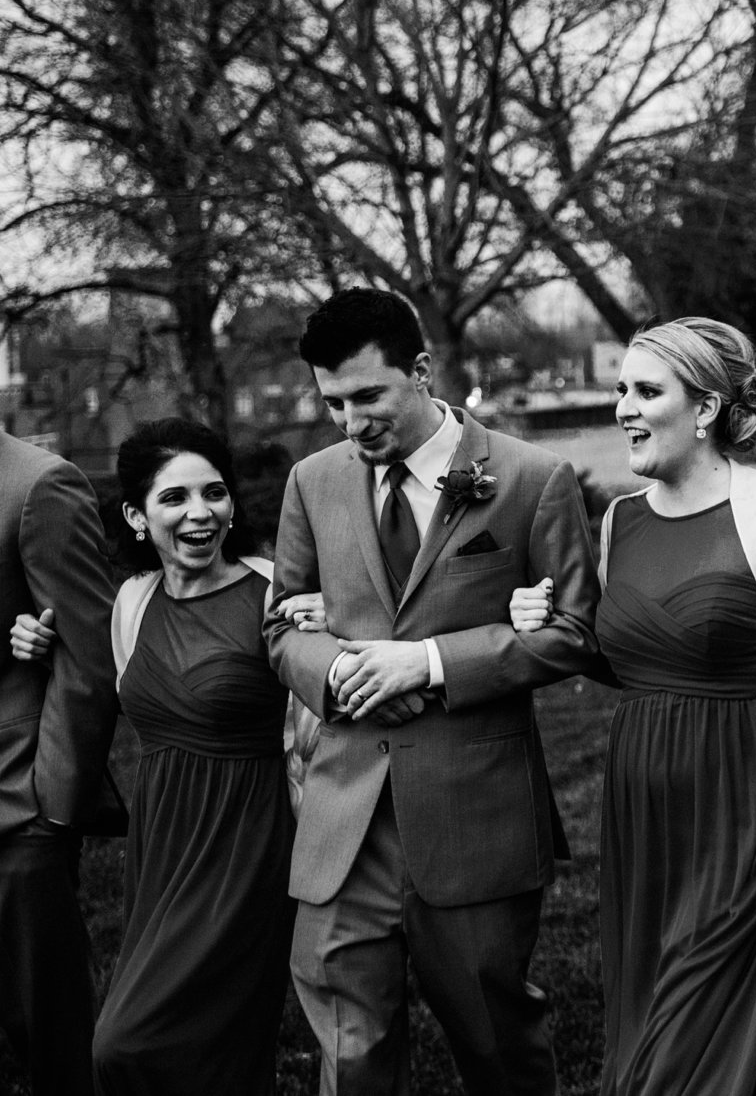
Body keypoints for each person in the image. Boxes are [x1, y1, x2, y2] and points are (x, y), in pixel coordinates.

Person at [265, 288, 601, 1096]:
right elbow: (281, 627)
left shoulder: (530, 479)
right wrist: (333, 670)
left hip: (472, 814)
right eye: (334, 403)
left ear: (421, 371)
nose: (351, 422)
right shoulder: (312, 481)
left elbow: (576, 633)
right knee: (351, 1050)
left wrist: (428, 663)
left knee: (495, 1042)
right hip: (344, 816)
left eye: (369, 396)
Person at [508, 317, 756, 1096]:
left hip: (747, 812)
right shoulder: (621, 520)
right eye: (621, 389)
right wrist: (548, 620)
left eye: (645, 390)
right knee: (649, 1028)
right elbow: (632, 661)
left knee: (697, 1048)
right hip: (645, 819)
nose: (623, 407)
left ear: (704, 409)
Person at [73, 420, 293, 1094]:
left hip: (246, 844)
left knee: (127, 1042)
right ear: (138, 516)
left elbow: (314, 730)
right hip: (163, 843)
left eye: (215, 492)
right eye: (175, 498)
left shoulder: (275, 593)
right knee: (192, 1053)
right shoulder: (133, 602)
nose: (200, 513)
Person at [0, 427, 119, 1095]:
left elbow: (88, 659)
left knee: (51, 1037)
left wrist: (52, 811)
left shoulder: (39, 484)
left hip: (18, 804)